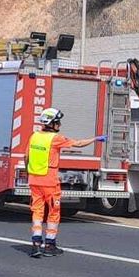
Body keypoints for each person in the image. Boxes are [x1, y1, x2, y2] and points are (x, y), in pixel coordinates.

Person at [26, 107, 102, 258]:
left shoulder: (34, 136)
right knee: (54, 213)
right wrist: (95, 139)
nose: (59, 125)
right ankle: (49, 244)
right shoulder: (55, 139)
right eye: (58, 122)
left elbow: (26, 157)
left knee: (37, 212)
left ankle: (36, 244)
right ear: (52, 123)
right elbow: (78, 144)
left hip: (34, 180)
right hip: (50, 182)